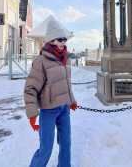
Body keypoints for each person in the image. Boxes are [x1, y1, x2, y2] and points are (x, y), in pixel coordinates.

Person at [24, 15, 77, 167]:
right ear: (51, 40)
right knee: (46, 148)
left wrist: (71, 100)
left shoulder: (65, 59)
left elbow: (66, 84)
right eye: (60, 39)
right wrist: (32, 113)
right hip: (48, 110)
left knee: (66, 144)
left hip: (64, 109)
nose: (63, 42)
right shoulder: (40, 61)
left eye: (65, 39)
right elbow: (30, 88)